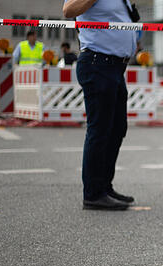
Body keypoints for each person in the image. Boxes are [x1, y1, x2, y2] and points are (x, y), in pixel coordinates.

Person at [63, 0, 138, 210]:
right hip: (98, 63)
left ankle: (104, 187)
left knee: (116, 128)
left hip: (114, 67)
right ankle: (93, 193)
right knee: (100, 130)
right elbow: (68, 10)